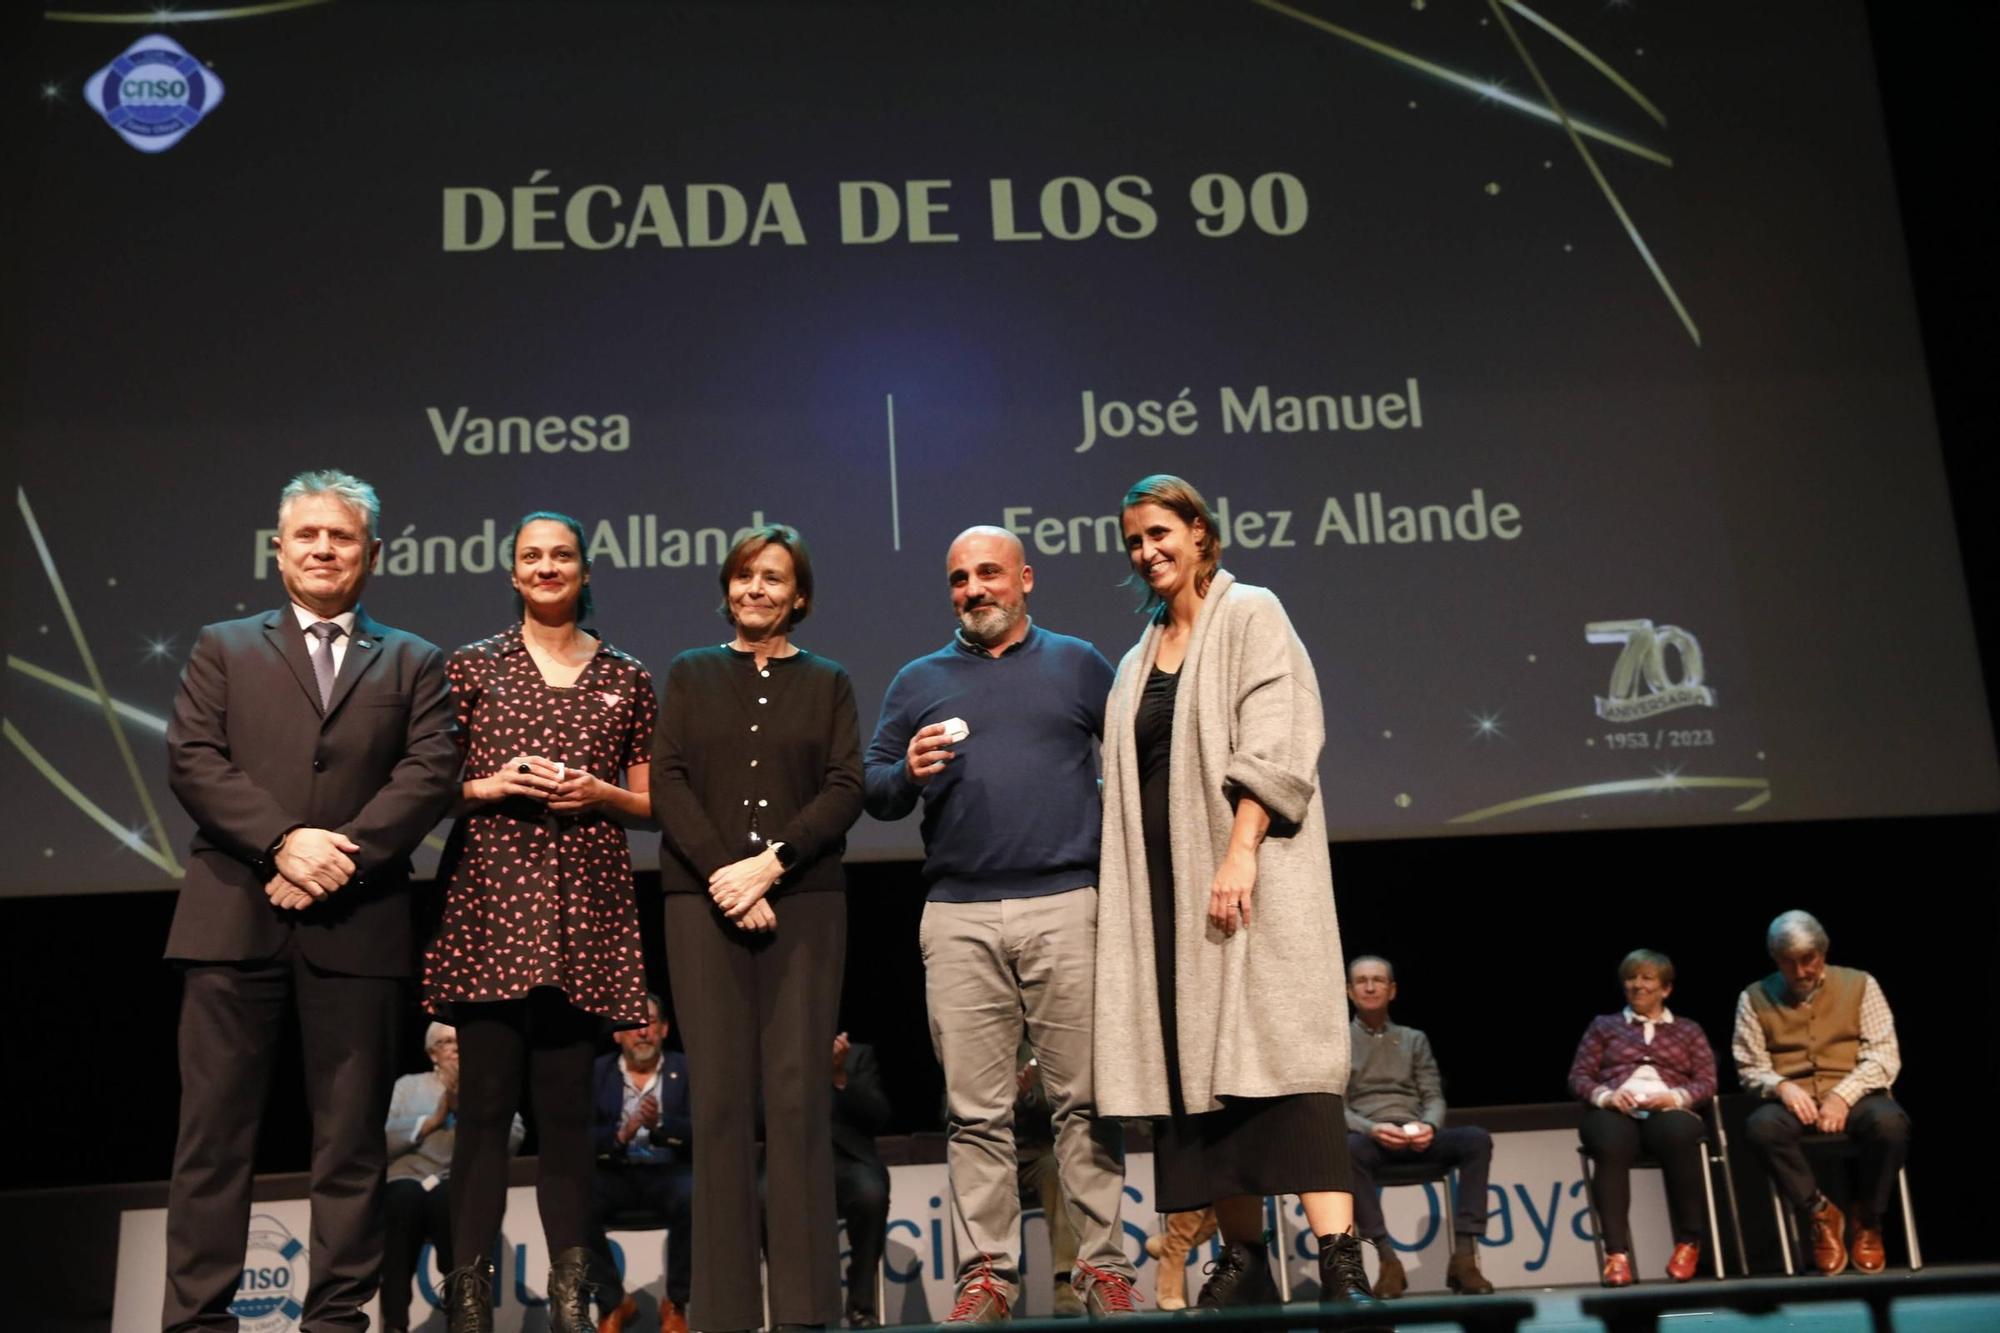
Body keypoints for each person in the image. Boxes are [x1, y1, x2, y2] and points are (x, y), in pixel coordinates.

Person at [162, 469, 459, 1332]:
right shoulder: (223, 645)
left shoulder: (413, 658)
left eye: (342, 536)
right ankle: (198, 1321)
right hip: (232, 918)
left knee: (350, 1143)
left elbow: (429, 773)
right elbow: (193, 760)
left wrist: (342, 857)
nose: (324, 549)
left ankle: (336, 1318)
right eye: (308, 535)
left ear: (372, 551)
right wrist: (284, 842)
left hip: (357, 925)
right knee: (213, 1139)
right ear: (279, 547)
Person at [1094, 474, 1375, 1308]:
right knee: (1199, 1075)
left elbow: (1281, 734)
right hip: (1166, 903)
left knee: (1288, 1061)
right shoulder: (1136, 657)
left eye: (1159, 533)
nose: (1148, 552)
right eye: (1135, 542)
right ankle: (1244, 1254)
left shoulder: (1252, 611)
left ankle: (1340, 1261)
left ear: (1199, 532)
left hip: (1249, 878)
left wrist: (1240, 849)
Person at [863, 525, 1138, 1320]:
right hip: (958, 913)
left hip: (1066, 903)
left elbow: (1133, 756)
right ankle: (989, 1272)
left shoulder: (1080, 662)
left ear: (1025, 577)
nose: (973, 588)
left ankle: (1101, 1269)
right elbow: (875, 787)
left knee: (1086, 1100)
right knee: (974, 1110)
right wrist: (904, 772)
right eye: (958, 578)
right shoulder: (920, 679)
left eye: (988, 573)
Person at [423, 510, 657, 1333]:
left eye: (563, 556)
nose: (548, 567)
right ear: (513, 573)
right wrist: (488, 784)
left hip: (584, 909)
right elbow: (427, 785)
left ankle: (570, 1306)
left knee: (565, 1118)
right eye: (533, 557)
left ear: (585, 572)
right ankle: (470, 1304)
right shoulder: (472, 665)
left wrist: (602, 794)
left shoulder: (627, 674)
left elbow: (654, 800)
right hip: (494, 902)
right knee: (485, 1111)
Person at [653, 523, 864, 1332]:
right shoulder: (691, 673)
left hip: (804, 903)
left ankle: (808, 1310)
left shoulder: (830, 681)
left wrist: (770, 864)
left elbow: (845, 784)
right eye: (744, 576)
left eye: (773, 578)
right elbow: (668, 781)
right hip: (701, 905)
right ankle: (727, 1313)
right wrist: (725, 874)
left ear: (798, 595)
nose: (756, 589)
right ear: (727, 588)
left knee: (797, 1100)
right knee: (717, 1107)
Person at [1733, 910, 1910, 1277]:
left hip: (1855, 1091)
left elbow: (1883, 1053)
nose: (1799, 972)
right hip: (1791, 1099)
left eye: (1807, 960)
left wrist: (1842, 1095)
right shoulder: (1754, 997)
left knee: (1891, 1123)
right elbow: (1750, 1067)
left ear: (1823, 952)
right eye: (1788, 963)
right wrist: (1781, 1086)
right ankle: (1820, 1213)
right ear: (1775, 959)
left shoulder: (1860, 984)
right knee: (1760, 1128)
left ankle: (1869, 1219)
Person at [1344, 956, 1494, 1296]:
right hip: (1371, 1141)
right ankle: (1388, 1261)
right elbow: (1337, 1107)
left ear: (1392, 990)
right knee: (1347, 1148)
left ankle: (1465, 1258)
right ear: (1350, 991)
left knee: (1476, 1140)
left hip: (1418, 1137)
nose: (1370, 987)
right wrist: (1371, 1129)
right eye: (1362, 981)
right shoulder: (1338, 1041)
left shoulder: (1413, 1039)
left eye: (1378, 980)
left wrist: (1428, 1125)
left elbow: (1433, 1095)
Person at [1567, 949, 1718, 1287]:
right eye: (1631, 978)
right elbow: (1579, 1077)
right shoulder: (1603, 1026)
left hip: (1667, 1108)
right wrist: (1606, 1096)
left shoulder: (1688, 1030)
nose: (1637, 985)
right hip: (1615, 1110)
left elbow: (1707, 1081)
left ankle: (1688, 1242)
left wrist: (1674, 1098)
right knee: (1609, 1140)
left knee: (1680, 1132)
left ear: (1666, 989)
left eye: (1647, 978)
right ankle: (1617, 1255)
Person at [382, 1023, 526, 1333]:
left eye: (461, 1042)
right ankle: (394, 1323)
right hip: (408, 1181)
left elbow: (514, 1135)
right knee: (402, 1200)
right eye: (447, 1042)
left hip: (456, 1183)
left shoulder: (487, 1086)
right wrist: (430, 1122)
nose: (456, 1049)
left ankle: (461, 1319)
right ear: (433, 1053)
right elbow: (381, 1137)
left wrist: (470, 1114)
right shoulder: (408, 1086)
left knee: (452, 1201)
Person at [589, 994, 693, 1333]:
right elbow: (579, 1135)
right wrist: (621, 1134)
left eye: (648, 1022)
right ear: (618, 1034)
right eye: (632, 1025)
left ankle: (676, 1303)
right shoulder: (596, 1072)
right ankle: (613, 1302)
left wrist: (660, 1125)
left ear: (664, 1029)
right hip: (616, 1172)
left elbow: (706, 1129)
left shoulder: (685, 1068)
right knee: (575, 1199)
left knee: (695, 1193)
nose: (642, 1032)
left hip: (670, 1173)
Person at [831, 1034, 892, 1329]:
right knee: (767, 1198)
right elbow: (757, 1118)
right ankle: (790, 1311)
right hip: (795, 1163)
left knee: (871, 1193)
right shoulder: (777, 1053)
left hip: (849, 1160)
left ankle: (860, 1306)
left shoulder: (858, 1055)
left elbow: (879, 1115)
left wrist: (840, 1076)